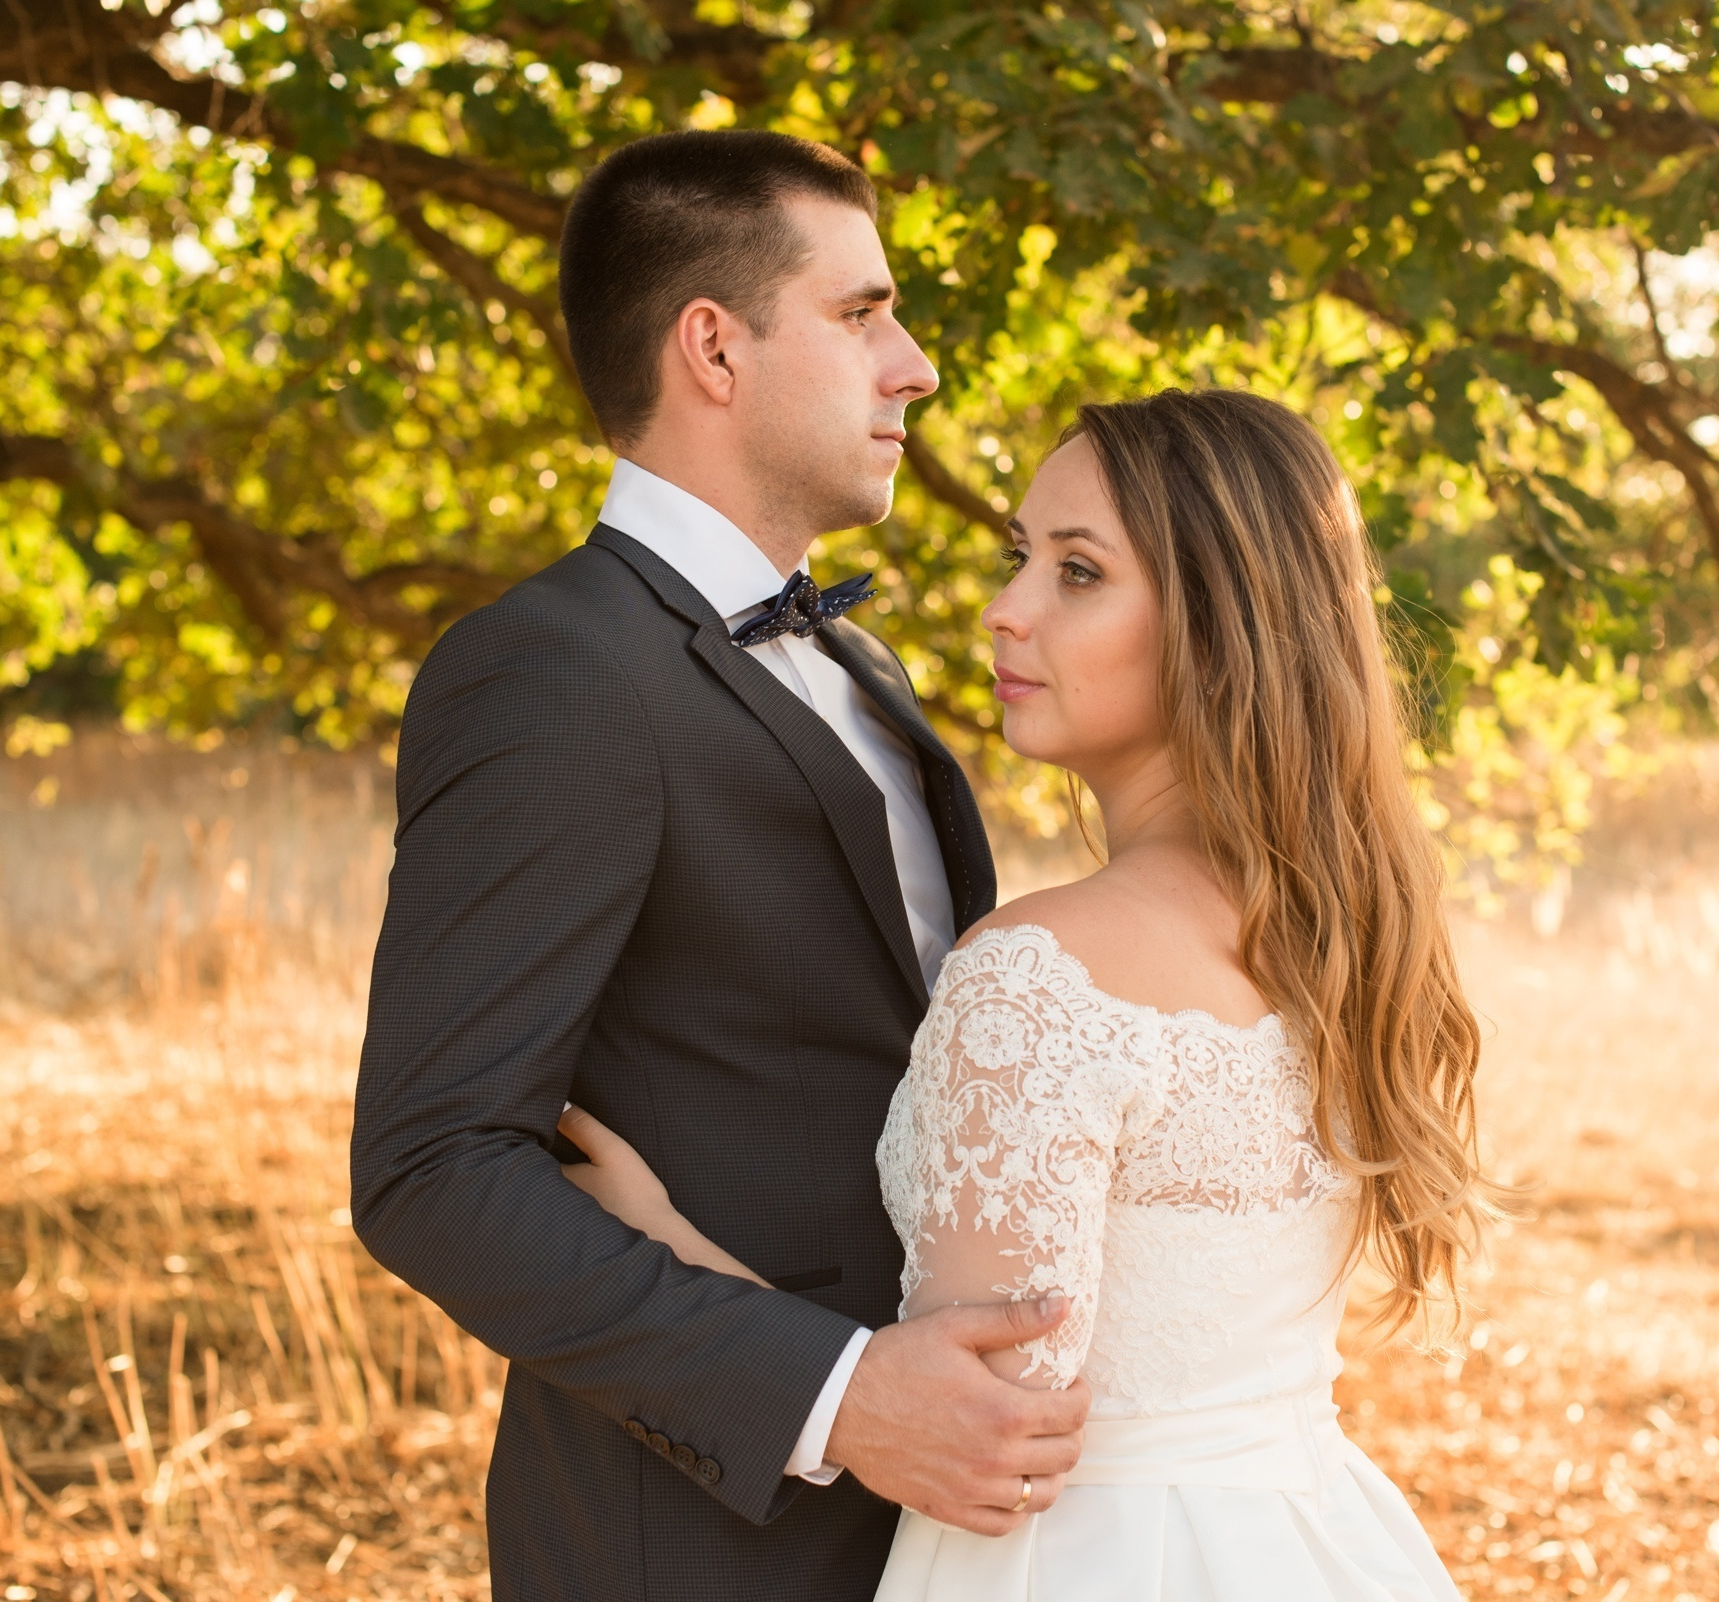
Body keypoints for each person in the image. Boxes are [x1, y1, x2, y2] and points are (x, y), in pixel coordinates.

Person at [561, 387, 1497, 1599]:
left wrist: (663, 1243)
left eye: (1078, 573)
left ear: (1221, 628)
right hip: (1316, 1542)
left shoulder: (1041, 973)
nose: (1006, 612)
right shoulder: (1344, 938)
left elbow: (981, 1428)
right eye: (1021, 557)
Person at [349, 129, 1092, 1602]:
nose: (916, 366)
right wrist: (838, 1394)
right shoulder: (553, 670)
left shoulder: (862, 663)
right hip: (697, 1538)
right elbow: (430, 1165)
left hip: (957, 1526)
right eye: (862, 312)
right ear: (713, 346)